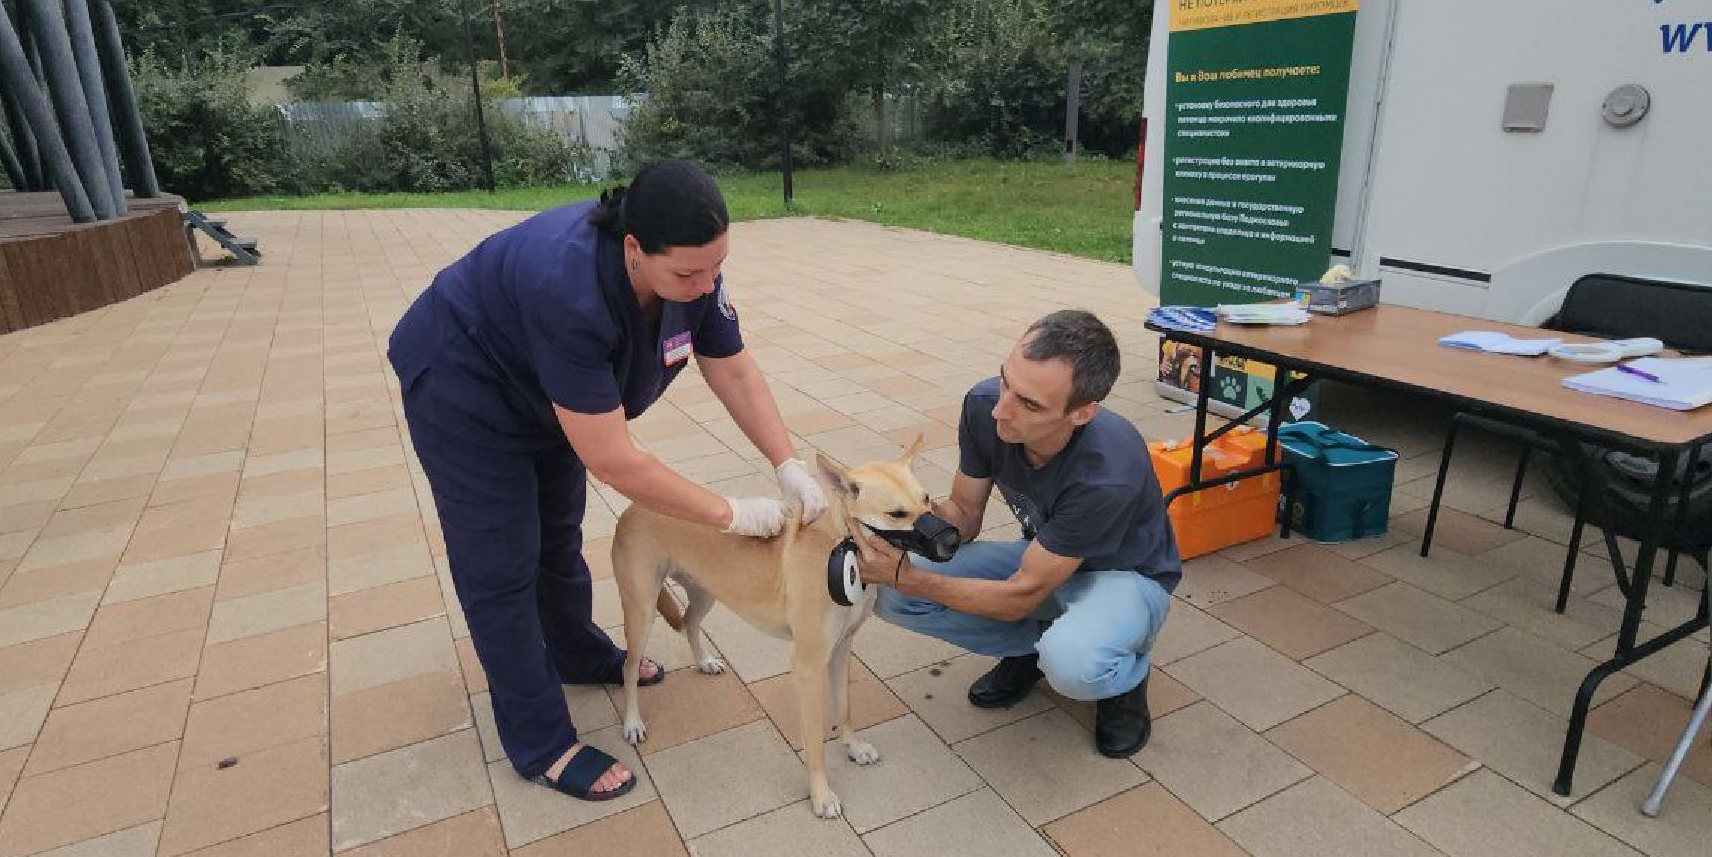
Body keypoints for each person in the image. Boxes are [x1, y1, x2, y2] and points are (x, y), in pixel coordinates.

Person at [387, 161, 826, 801]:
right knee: (501, 563)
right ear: (632, 250)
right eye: (687, 273)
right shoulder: (566, 288)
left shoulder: (691, 276)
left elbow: (732, 370)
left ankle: (572, 651)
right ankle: (540, 742)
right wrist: (729, 515)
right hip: (465, 386)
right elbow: (616, 462)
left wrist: (787, 465)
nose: (706, 286)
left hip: (549, 395)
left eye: (716, 266)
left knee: (558, 535)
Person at [860, 309, 1179, 757]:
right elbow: (966, 514)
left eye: (1029, 404)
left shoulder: (1107, 475)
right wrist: (910, 518)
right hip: (1043, 557)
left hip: (1122, 576)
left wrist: (910, 575)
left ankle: (1123, 679)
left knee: (1073, 663)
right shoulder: (984, 406)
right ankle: (1034, 648)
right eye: (1006, 380)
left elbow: (1019, 597)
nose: (1000, 409)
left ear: (1083, 412)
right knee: (893, 597)